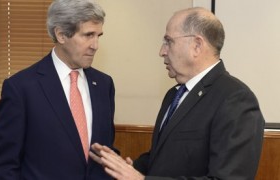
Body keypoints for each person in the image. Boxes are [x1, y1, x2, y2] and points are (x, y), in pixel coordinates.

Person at [89, 7, 265, 180]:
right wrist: (128, 167)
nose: (162, 51)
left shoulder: (235, 99)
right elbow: (162, 157)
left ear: (197, 45)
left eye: (168, 41)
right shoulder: (174, 95)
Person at [0, 0, 116, 179]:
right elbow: (6, 166)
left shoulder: (104, 84)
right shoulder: (21, 88)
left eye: (99, 35)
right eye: (88, 35)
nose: (95, 45)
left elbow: (104, 149)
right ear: (61, 35)